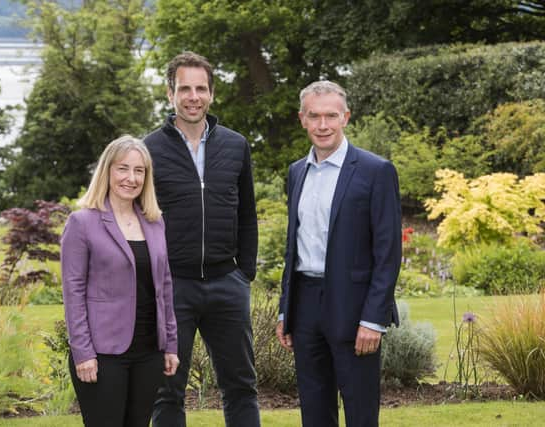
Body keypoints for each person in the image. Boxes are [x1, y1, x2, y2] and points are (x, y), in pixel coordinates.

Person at [275, 81, 402, 427]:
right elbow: (294, 247)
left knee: (360, 412)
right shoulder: (297, 172)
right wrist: (286, 309)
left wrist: (373, 318)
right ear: (302, 119)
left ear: (346, 117)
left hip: (355, 308)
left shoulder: (376, 171)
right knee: (314, 413)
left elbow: (388, 253)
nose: (323, 125)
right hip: (305, 307)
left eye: (331, 115)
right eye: (314, 116)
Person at [144, 51, 260, 427]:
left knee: (241, 385)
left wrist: (245, 273)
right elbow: (138, 219)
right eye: (184, 88)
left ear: (211, 93)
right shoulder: (148, 150)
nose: (193, 96)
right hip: (173, 285)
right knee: (167, 389)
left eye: (201, 88)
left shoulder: (236, 145)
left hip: (228, 283)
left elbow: (247, 213)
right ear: (169, 93)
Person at [61, 135, 180, 427]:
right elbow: (73, 293)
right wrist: (83, 352)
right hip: (103, 355)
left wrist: (171, 344)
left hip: (149, 352)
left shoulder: (154, 222)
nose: (131, 178)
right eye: (123, 169)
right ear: (107, 171)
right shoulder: (82, 222)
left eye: (139, 171)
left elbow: (164, 286)